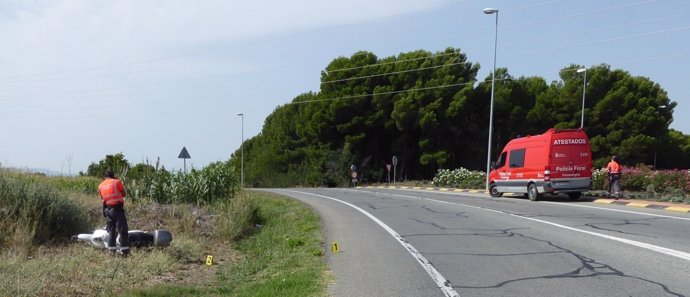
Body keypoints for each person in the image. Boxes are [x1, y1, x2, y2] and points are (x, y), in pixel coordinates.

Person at [98, 169, 130, 257]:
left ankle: (111, 251)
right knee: (123, 230)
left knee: (111, 231)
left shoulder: (100, 186)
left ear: (104, 177)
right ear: (113, 175)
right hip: (117, 209)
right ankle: (125, 251)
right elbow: (124, 194)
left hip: (108, 210)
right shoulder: (117, 182)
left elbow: (103, 200)